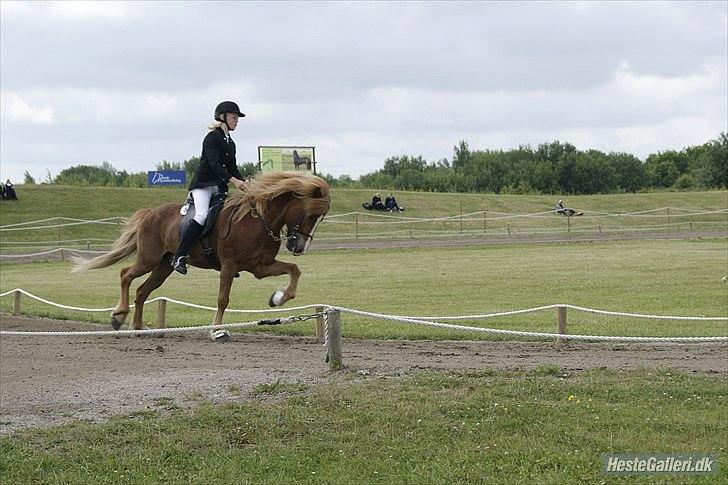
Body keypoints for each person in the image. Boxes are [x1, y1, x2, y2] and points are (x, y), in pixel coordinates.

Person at [172, 101, 248, 275]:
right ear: (223, 117)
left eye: (237, 118)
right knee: (202, 215)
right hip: (203, 185)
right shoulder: (212, 138)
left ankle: (224, 257)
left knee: (227, 216)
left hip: (219, 187)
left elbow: (233, 168)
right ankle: (180, 255)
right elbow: (215, 165)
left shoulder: (230, 143)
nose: (237, 121)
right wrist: (234, 181)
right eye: (234, 117)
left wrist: (244, 183)